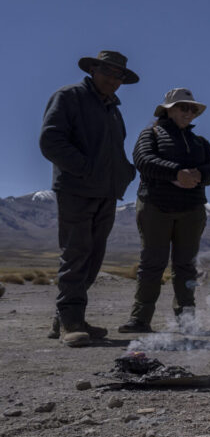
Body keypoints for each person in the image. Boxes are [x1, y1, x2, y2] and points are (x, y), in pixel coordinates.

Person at [39, 50, 139, 347]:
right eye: (107, 72)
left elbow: (114, 150)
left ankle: (70, 317)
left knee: (93, 256)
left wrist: (124, 173)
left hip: (106, 192)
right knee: (76, 252)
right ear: (93, 70)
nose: (112, 79)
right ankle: (71, 321)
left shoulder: (113, 109)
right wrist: (86, 169)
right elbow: (50, 140)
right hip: (76, 189)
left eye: (118, 75)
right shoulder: (69, 96)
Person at [118, 89, 210, 334]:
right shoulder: (150, 133)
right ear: (168, 109)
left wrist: (200, 175)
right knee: (152, 263)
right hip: (156, 206)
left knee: (186, 266)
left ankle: (186, 320)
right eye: (183, 107)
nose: (189, 112)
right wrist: (177, 172)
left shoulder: (200, 142)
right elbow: (142, 159)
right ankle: (140, 319)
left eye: (192, 109)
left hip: (192, 209)